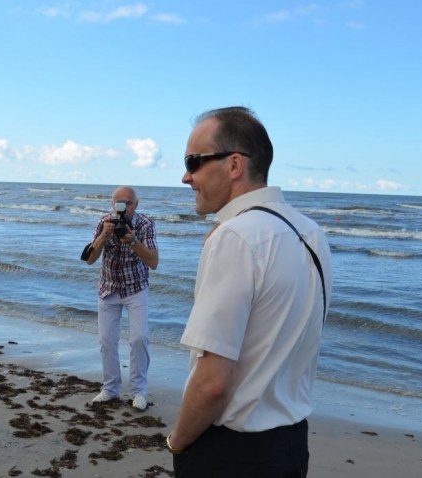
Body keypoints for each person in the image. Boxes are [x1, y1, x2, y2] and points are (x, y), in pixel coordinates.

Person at [166, 106, 333, 477]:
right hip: (291, 445)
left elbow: (213, 384)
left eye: (193, 162)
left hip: (232, 453)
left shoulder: (236, 237)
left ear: (234, 165)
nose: (186, 176)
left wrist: (178, 441)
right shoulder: (312, 234)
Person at [84, 186, 158, 411]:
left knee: (139, 338)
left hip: (135, 288)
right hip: (108, 288)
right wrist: (104, 235)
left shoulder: (145, 224)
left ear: (136, 205)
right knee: (107, 341)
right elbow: (90, 259)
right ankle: (110, 389)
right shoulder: (104, 222)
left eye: (128, 203)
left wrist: (133, 241)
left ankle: (139, 392)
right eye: (119, 204)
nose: (123, 208)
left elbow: (153, 262)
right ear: (112, 205)